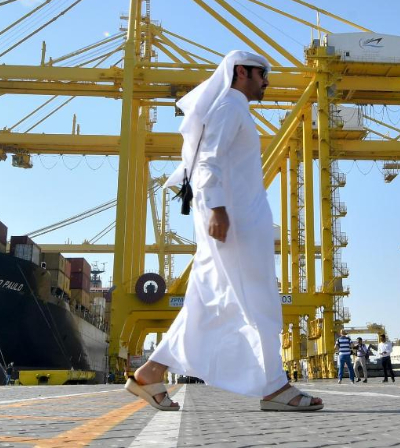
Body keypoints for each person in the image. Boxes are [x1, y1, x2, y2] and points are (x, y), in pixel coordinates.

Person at [126, 51, 323, 412]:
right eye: (262, 74)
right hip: (235, 225)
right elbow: (207, 162)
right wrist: (217, 208)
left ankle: (150, 373)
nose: (267, 82)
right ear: (242, 71)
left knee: (205, 304)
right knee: (260, 302)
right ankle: (275, 387)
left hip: (237, 222)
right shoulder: (230, 108)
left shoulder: (235, 109)